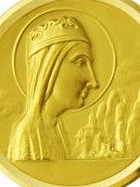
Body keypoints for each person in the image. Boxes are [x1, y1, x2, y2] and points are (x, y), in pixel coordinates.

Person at [8, 16, 98, 161]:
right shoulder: (27, 134)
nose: (93, 82)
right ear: (49, 67)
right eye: (81, 63)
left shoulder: (55, 127)